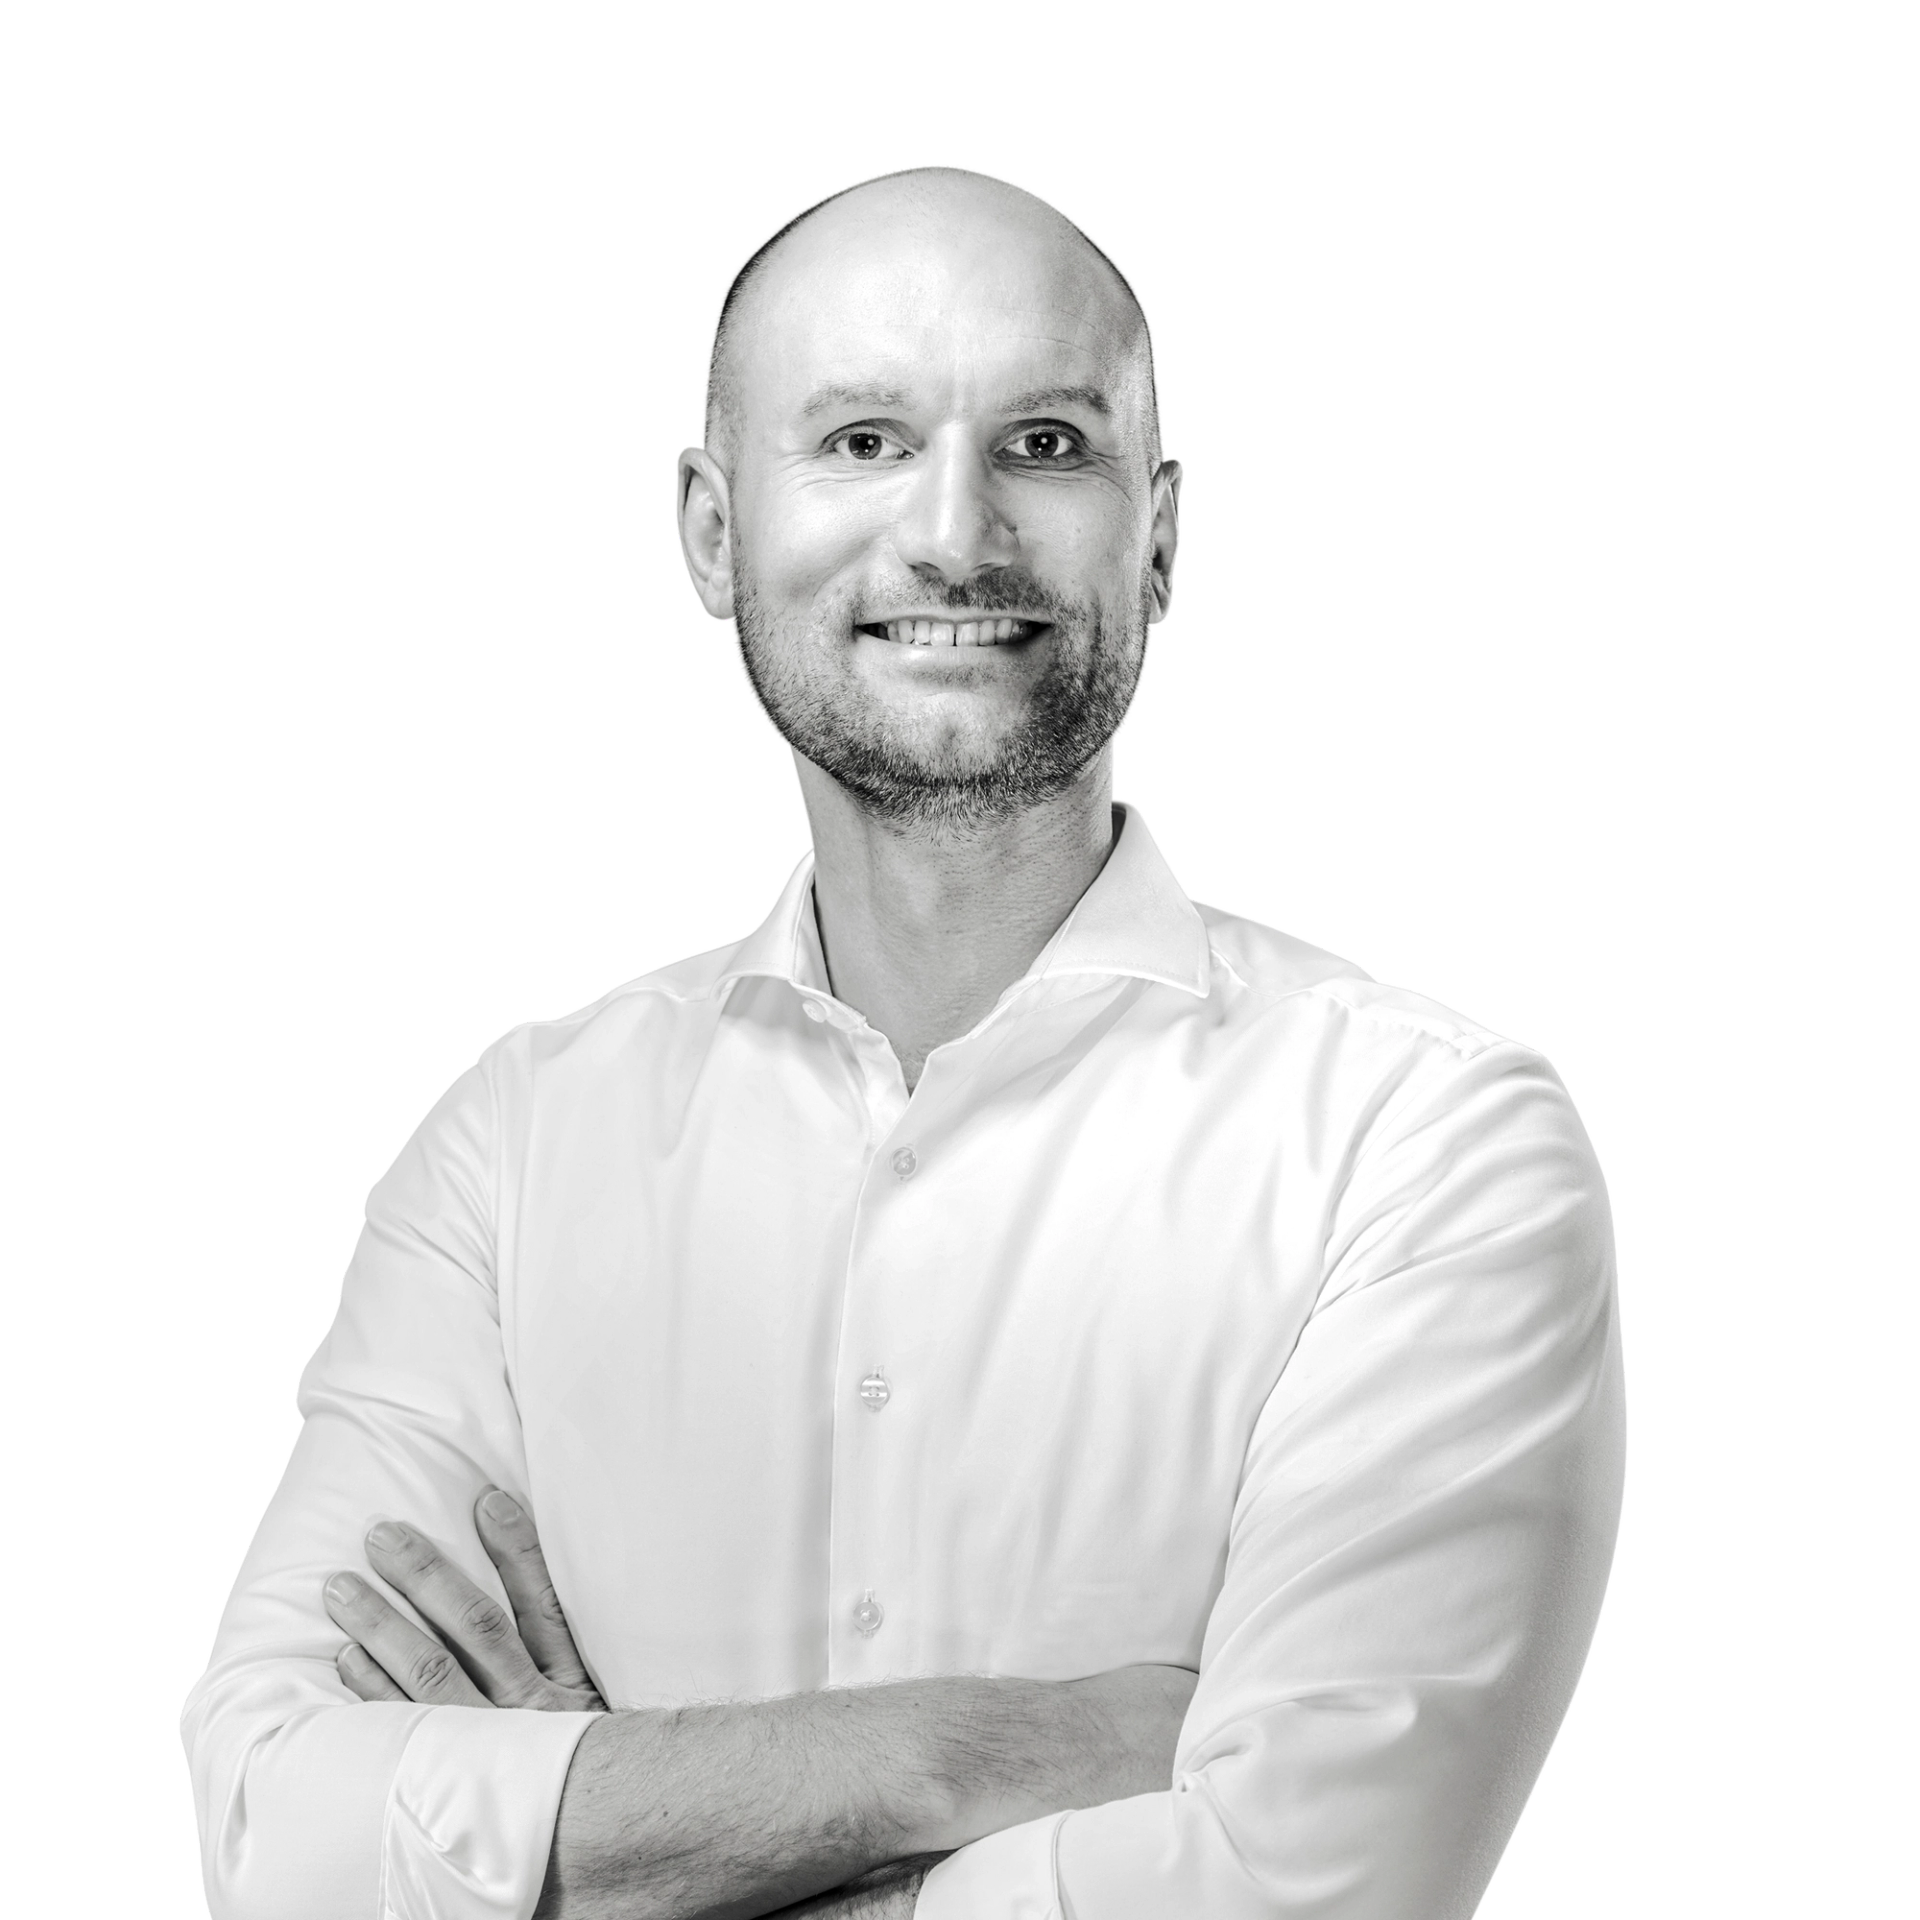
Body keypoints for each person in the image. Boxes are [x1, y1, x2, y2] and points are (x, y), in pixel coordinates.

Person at [178, 163, 1626, 1919]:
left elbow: (1321, 1879)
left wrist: (594, 1837)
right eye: (863, 440)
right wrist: (966, 1756)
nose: (954, 534)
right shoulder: (512, 1144)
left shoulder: (1434, 1140)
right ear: (708, 529)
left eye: (1045, 445)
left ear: (1163, 539)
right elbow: (271, 1825)